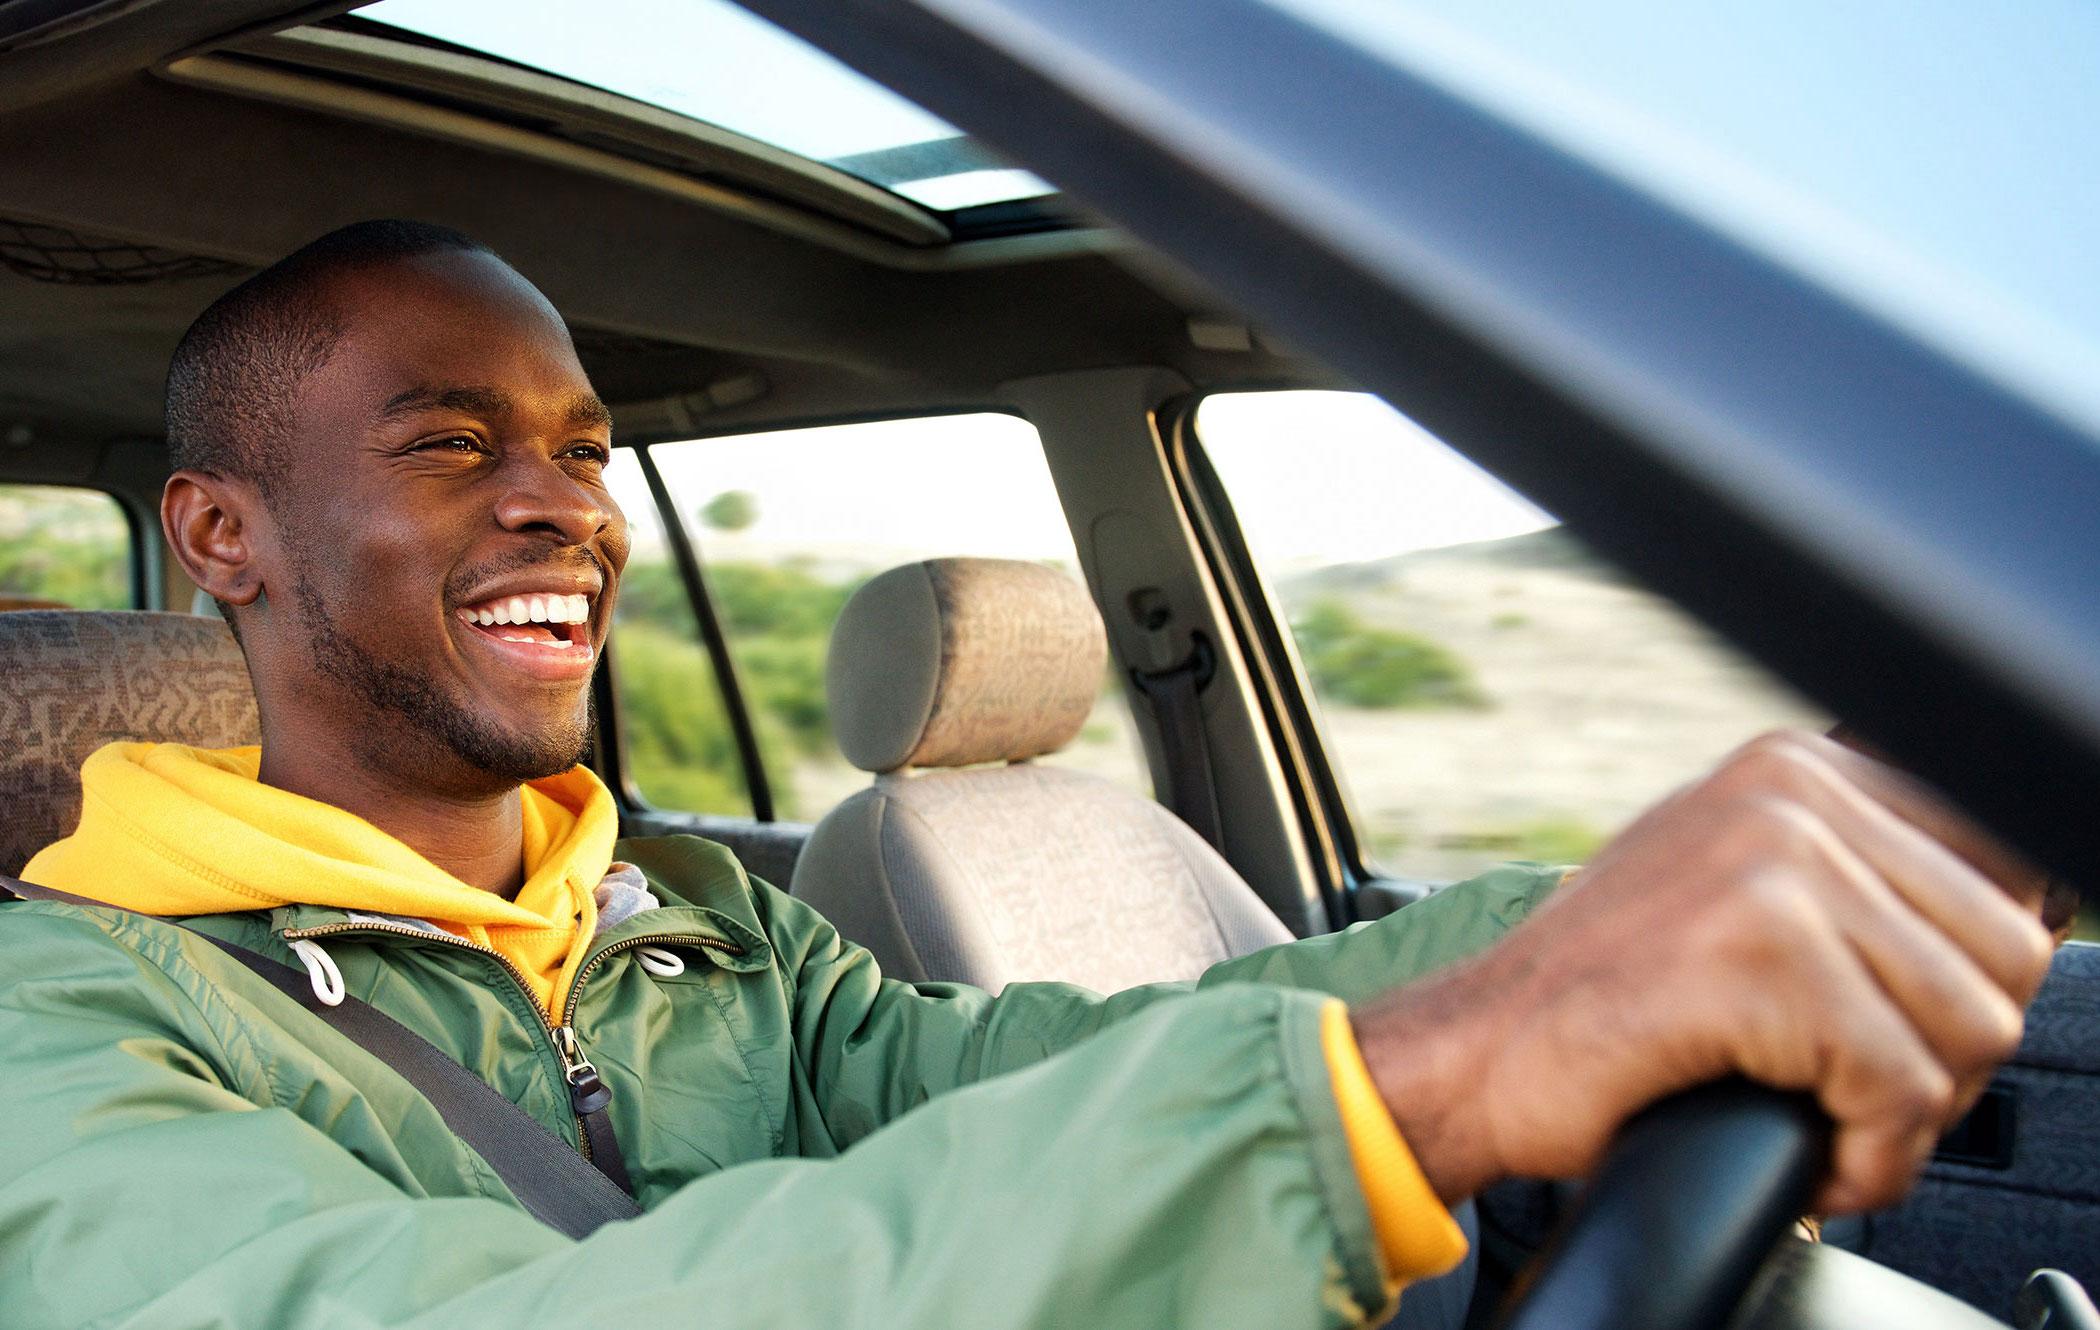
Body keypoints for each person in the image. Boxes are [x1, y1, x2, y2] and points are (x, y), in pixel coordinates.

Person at [0, 221, 2056, 1329]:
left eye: (586, 448)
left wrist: (1602, 932)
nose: (564, 509)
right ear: (221, 532)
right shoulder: (70, 1022)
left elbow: (1050, 1075)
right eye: (452, 445)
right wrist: (1411, 1092)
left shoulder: (700, 927)